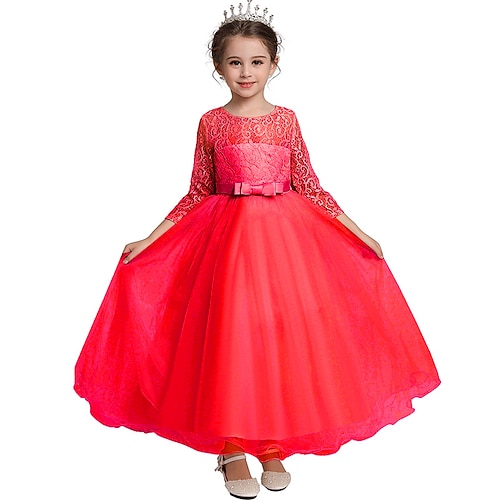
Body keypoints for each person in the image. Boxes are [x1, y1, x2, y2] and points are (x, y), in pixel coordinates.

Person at [74, 1, 440, 498]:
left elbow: (309, 183)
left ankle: (270, 440)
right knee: (230, 334)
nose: (246, 72)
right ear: (218, 66)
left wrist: (358, 232)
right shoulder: (211, 122)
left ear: (273, 64)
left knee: (277, 334)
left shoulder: (286, 120)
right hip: (225, 243)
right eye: (235, 62)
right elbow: (197, 191)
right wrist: (151, 238)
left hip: (285, 245)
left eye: (256, 62)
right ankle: (230, 445)